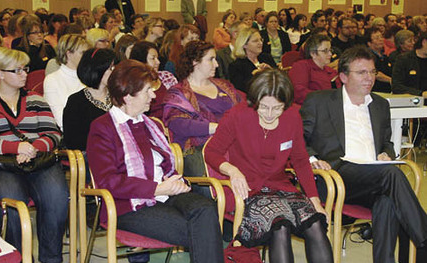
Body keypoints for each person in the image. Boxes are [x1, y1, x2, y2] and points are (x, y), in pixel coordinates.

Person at [86, 59, 223, 263]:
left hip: (166, 193)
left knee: (206, 209)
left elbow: (167, 167)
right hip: (128, 204)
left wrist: (176, 183)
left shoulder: (151, 125)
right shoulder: (103, 128)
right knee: (201, 229)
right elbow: (108, 181)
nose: (154, 95)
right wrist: (157, 189)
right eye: (148, 90)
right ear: (127, 96)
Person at [300, 46, 427, 263]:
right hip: (336, 175)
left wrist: (386, 153)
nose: (370, 78)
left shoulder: (379, 104)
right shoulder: (319, 101)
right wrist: (313, 159)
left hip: (373, 177)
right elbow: (299, 139)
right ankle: (424, 243)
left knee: (387, 201)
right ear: (343, 77)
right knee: (392, 175)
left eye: (372, 72)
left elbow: (387, 143)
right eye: (362, 73)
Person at [205, 69, 333, 263]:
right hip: (249, 190)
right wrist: (232, 170)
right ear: (255, 100)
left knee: (314, 223)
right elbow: (211, 152)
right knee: (279, 226)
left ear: (286, 104)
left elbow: (300, 160)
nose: (270, 114)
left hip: (282, 187)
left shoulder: (292, 117)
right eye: (264, 107)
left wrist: (315, 201)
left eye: (277, 108)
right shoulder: (238, 115)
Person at [0, 47, 68, 263]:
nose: (24, 74)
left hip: (40, 161)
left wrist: (33, 147)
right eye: (17, 70)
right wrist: (15, 148)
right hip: (2, 165)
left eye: (25, 69)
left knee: (56, 198)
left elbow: (54, 133)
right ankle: (18, 257)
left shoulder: (36, 99)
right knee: (12, 205)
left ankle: (52, 259)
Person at [163, 40, 242, 197]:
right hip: (198, 149)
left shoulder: (224, 86)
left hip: (233, 143)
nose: (217, 64)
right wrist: (216, 128)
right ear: (195, 62)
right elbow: (178, 124)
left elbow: (244, 109)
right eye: (211, 59)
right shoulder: (178, 93)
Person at [63, 48, 115, 151]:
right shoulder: (76, 102)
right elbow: (73, 142)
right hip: (93, 155)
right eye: (110, 68)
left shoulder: (118, 96)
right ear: (97, 69)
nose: (114, 71)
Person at [43, 34, 90, 130]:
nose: (87, 57)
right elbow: (61, 120)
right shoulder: (52, 80)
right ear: (69, 54)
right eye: (83, 53)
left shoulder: (90, 76)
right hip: (72, 134)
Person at [130, 41, 177, 119]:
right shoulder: (132, 84)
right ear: (141, 60)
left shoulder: (166, 77)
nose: (158, 62)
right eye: (153, 58)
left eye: (157, 58)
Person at [289, 34, 340, 105]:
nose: (330, 54)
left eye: (330, 50)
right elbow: (298, 92)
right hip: (310, 109)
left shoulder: (331, 71)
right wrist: (324, 99)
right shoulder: (301, 66)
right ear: (313, 53)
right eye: (325, 51)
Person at [229, 27, 277, 93]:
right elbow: (240, 90)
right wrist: (254, 76)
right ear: (244, 45)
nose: (260, 43)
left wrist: (271, 71)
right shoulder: (236, 66)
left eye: (261, 40)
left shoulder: (267, 58)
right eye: (255, 41)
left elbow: (280, 79)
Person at [392, 31, 427, 98]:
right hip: (413, 101)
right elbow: (396, 86)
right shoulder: (404, 59)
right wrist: (420, 93)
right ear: (424, 42)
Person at [365, 27, 392, 93]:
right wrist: (391, 80)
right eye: (377, 38)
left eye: (381, 37)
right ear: (369, 43)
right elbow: (375, 73)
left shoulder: (385, 57)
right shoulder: (367, 56)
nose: (381, 40)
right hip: (374, 91)